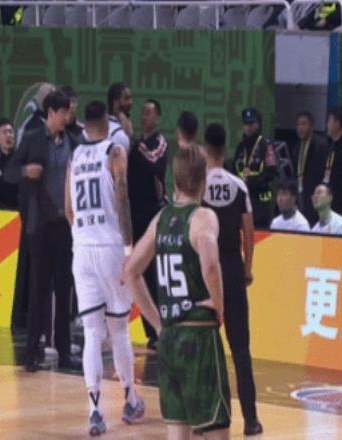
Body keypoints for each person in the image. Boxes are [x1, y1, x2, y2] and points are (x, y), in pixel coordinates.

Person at [124, 146, 231, 440]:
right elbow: (210, 263)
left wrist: (157, 323)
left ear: (175, 179)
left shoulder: (161, 219)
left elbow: (130, 271)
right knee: (216, 430)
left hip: (169, 339)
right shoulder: (203, 217)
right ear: (203, 180)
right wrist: (219, 305)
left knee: (178, 432)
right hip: (198, 336)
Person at [65, 101, 144, 436]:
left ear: (85, 126)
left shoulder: (75, 156)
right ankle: (130, 400)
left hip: (82, 249)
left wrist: (83, 236)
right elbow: (122, 198)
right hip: (110, 247)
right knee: (119, 329)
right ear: (107, 124)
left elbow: (68, 209)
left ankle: (95, 411)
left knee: (92, 334)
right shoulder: (115, 151)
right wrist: (128, 247)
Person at [5, 89, 79, 372]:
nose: (67, 117)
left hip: (65, 226)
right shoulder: (33, 139)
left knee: (64, 288)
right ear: (51, 112)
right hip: (40, 225)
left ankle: (63, 349)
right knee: (39, 289)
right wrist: (26, 171)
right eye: (63, 113)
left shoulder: (73, 142)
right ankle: (32, 350)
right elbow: (9, 171)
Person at [202, 123, 263, 436]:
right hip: (233, 269)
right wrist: (247, 268)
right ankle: (251, 420)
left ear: (205, 150)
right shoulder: (239, 186)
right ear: (225, 151)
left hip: (207, 273)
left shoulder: (198, 186)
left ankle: (210, 417)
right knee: (240, 351)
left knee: (206, 350)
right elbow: (249, 233)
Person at [128, 99, 168, 350]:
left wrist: (134, 144)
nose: (144, 117)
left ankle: (161, 328)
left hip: (154, 216)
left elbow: (154, 162)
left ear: (158, 118)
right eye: (142, 113)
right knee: (139, 274)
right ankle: (151, 332)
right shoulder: (134, 146)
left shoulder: (159, 143)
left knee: (155, 274)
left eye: (149, 113)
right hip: (135, 216)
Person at [233, 107, 277, 228]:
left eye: (251, 123)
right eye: (246, 124)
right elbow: (234, 171)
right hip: (242, 201)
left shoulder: (266, 145)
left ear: (258, 124)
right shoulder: (240, 147)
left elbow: (271, 173)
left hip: (260, 202)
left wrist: (250, 181)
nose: (248, 127)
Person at [291, 111, 329, 226]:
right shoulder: (297, 148)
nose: (300, 128)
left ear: (311, 126)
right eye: (298, 124)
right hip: (301, 194)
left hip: (316, 194)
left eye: (304, 124)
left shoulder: (321, 145)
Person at [106, 82, 133, 151]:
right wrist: (128, 136)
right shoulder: (118, 135)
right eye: (126, 98)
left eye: (130, 98)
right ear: (115, 103)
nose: (130, 102)